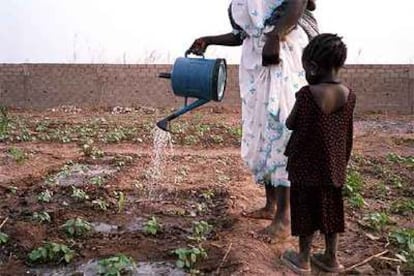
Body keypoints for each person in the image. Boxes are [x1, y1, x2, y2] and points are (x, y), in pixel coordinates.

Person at [189, 0, 318, 238]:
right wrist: (208, 40)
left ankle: (284, 218)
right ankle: (270, 206)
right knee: (260, 131)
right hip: (255, 64)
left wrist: (275, 36)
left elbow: (298, 2)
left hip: (282, 56)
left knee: (281, 129)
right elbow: (242, 34)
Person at [281, 33, 356, 274]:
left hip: (305, 165)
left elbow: (291, 123)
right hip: (334, 165)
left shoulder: (306, 94)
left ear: (312, 66)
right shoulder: (349, 95)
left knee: (304, 209)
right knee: (330, 209)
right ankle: (331, 258)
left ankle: (303, 258)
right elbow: (347, 132)